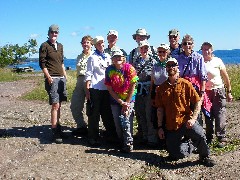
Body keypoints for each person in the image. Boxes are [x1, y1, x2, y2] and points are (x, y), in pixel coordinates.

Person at [155, 57, 216, 167]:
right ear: (166, 69)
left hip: (186, 121)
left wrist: (193, 119)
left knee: (200, 134)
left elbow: (198, 102)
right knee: (176, 154)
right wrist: (160, 127)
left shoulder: (186, 84)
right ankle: (189, 145)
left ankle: (205, 156)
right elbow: (160, 109)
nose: (170, 67)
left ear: (177, 68)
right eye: (168, 66)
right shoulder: (161, 88)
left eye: (173, 65)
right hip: (171, 125)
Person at [85, 36, 117, 146]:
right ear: (94, 45)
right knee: (94, 114)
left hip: (107, 89)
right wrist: (87, 90)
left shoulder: (107, 56)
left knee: (107, 113)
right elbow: (88, 74)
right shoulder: (92, 58)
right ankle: (92, 137)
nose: (101, 45)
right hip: (95, 88)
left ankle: (111, 135)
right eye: (98, 43)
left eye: (102, 43)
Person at [105, 50, 138, 153]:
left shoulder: (129, 68)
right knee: (117, 121)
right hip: (116, 100)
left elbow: (133, 86)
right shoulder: (109, 70)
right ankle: (121, 141)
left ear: (124, 58)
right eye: (115, 57)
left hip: (129, 98)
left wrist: (127, 103)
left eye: (120, 57)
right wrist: (120, 102)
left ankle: (129, 143)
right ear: (112, 59)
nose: (118, 59)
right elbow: (109, 88)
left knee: (127, 120)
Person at [39, 24, 67, 144]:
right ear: (49, 33)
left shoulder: (60, 46)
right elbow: (42, 63)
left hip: (61, 78)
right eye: (52, 32)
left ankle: (58, 126)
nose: (54, 34)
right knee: (55, 105)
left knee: (59, 104)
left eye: (56, 33)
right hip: (52, 78)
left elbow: (61, 63)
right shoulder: (44, 45)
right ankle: (55, 130)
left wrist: (65, 76)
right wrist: (48, 77)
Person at [201, 42, 233, 147]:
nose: (206, 51)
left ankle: (221, 137)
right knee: (208, 114)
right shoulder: (200, 61)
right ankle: (209, 137)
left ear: (212, 50)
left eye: (208, 49)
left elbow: (225, 77)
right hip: (206, 92)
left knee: (220, 113)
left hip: (218, 90)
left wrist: (229, 92)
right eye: (204, 49)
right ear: (201, 50)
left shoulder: (217, 61)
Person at [176, 34, 209, 125]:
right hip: (183, 87)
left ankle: (198, 134)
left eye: (189, 43)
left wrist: (202, 91)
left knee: (196, 110)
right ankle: (187, 135)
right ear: (182, 45)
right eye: (185, 43)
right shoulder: (178, 58)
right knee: (185, 109)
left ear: (193, 44)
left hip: (195, 87)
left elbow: (203, 76)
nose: (187, 46)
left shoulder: (198, 57)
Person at [133, 40, 158, 147]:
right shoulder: (136, 61)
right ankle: (144, 136)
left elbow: (154, 77)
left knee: (149, 114)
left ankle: (152, 138)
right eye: (142, 48)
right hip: (139, 90)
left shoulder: (153, 61)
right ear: (139, 49)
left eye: (146, 48)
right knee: (140, 113)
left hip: (149, 89)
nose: (144, 50)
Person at [71, 35, 93, 136]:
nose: (85, 44)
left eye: (87, 42)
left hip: (92, 81)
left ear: (91, 44)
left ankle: (93, 129)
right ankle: (81, 126)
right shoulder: (79, 56)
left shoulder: (94, 55)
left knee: (92, 106)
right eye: (84, 42)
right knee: (75, 105)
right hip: (80, 80)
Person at [150, 43, 170, 131]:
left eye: (164, 51)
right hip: (157, 94)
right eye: (159, 52)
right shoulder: (155, 66)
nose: (161, 53)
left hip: (168, 93)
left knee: (167, 117)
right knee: (157, 118)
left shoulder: (171, 65)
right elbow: (152, 82)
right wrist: (152, 97)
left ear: (168, 52)